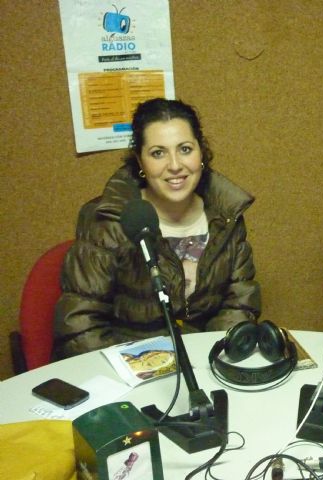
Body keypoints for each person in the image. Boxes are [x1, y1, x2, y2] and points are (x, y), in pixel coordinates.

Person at [54, 98, 260, 358]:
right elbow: (80, 325)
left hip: (203, 361)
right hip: (127, 363)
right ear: (140, 162)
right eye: (158, 153)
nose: (174, 165)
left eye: (185, 149)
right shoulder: (108, 220)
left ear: (201, 153)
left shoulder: (226, 217)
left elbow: (239, 303)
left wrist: (211, 358)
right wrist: (137, 368)